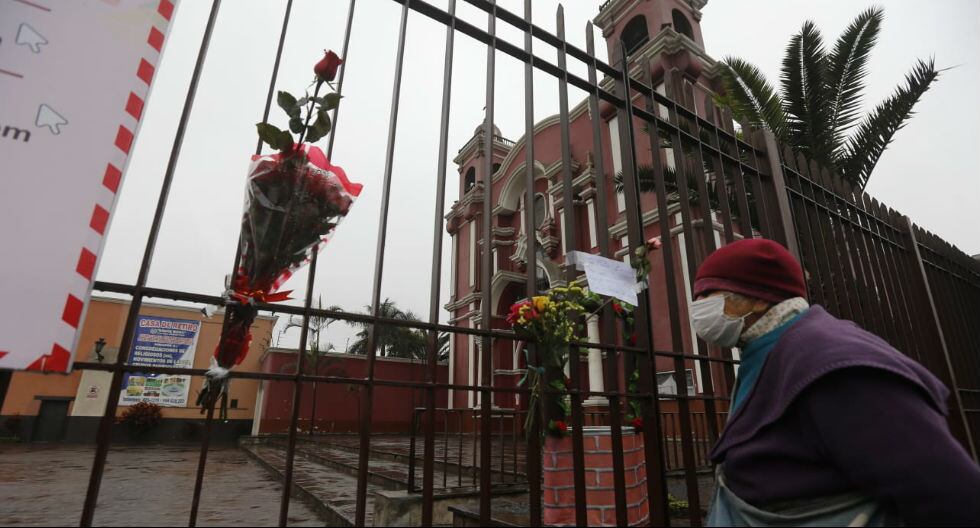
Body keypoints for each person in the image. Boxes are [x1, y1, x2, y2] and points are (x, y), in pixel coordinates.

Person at [690, 238, 980, 527]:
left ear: (759, 297)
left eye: (708, 294)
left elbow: (949, 493)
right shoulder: (769, 351)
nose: (698, 307)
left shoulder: (830, 362)